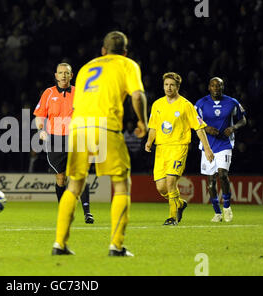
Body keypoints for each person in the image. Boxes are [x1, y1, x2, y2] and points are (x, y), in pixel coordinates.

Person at [52, 31, 148, 257]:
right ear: (124, 52)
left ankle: (60, 244)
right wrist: (143, 121)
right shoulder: (127, 64)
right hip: (105, 126)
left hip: (78, 128)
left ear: (103, 50)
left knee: (74, 185)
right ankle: (116, 246)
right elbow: (137, 95)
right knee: (122, 184)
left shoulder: (86, 67)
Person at [145, 72, 215, 226]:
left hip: (178, 147)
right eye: (166, 85)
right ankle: (180, 204)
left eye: (171, 85)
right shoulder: (157, 104)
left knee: (171, 182)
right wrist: (149, 141)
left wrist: (207, 148)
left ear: (177, 87)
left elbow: (199, 128)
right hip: (161, 149)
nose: (168, 88)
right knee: (161, 188)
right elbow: (153, 127)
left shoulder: (186, 105)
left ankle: (172, 218)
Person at [34, 62, 94, 224]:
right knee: (61, 178)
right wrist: (41, 129)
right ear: (56, 75)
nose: (63, 76)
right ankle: (63, 210)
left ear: (71, 75)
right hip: (55, 139)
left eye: (66, 73)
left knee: (79, 175)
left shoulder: (79, 92)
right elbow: (40, 115)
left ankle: (87, 212)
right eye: (60, 73)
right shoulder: (49, 93)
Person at [195, 77, 247, 222]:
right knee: (211, 181)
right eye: (213, 85)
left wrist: (233, 128)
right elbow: (192, 120)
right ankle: (217, 213)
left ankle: (227, 207)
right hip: (207, 145)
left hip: (225, 144)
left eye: (219, 85)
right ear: (209, 88)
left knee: (222, 174)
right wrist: (205, 127)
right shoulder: (201, 103)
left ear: (223, 87)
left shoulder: (232, 102)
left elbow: (243, 119)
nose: (216, 88)